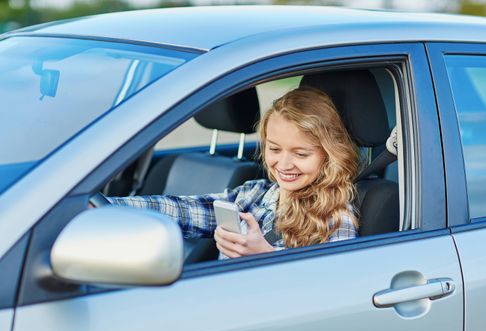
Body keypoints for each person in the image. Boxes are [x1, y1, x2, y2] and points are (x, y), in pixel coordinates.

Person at [109, 87, 360, 259]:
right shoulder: (255, 194)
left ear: (329, 154)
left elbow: (330, 290)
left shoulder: (337, 217)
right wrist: (109, 208)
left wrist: (266, 257)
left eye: (301, 154)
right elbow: (186, 210)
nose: (284, 163)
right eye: (274, 149)